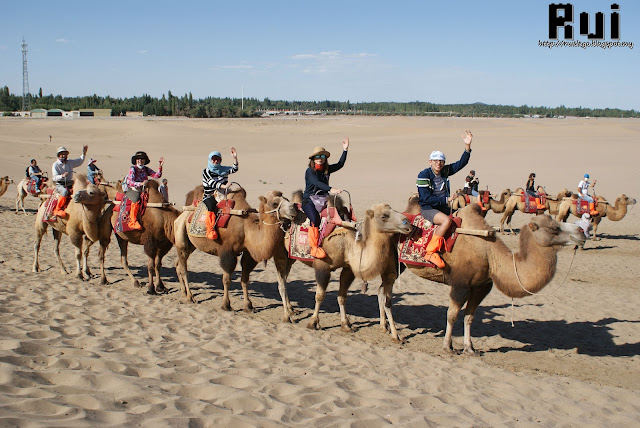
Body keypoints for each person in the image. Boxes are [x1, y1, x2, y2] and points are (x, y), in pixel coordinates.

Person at [416, 130, 473, 268]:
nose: (438, 163)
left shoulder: (444, 171)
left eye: (441, 161)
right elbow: (426, 198)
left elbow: (461, 164)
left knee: (462, 218)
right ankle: (430, 252)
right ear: (430, 161)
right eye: (435, 161)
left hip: (444, 207)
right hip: (428, 208)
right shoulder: (423, 175)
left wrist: (467, 147)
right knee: (446, 221)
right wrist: (446, 200)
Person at [302, 137, 349, 258]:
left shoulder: (326, 170)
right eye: (317, 157)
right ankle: (314, 248)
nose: (320, 159)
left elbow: (340, 164)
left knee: (340, 212)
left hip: (323, 200)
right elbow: (316, 182)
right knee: (315, 219)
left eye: (322, 157)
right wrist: (331, 189)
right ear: (313, 159)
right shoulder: (310, 171)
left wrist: (345, 150)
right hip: (309, 200)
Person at [202, 148, 239, 240]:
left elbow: (234, 169)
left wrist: (235, 158)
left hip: (224, 194)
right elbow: (212, 183)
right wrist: (224, 186)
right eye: (213, 159)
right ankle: (210, 229)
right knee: (211, 206)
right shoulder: (206, 171)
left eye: (217, 159)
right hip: (210, 195)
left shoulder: (223, 169)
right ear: (210, 160)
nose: (215, 161)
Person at [123, 151, 164, 230]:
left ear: (144, 161)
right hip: (135, 189)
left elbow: (156, 176)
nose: (140, 161)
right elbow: (130, 182)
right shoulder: (133, 169)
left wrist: (160, 166)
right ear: (136, 160)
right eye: (138, 159)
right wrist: (140, 183)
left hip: (145, 189)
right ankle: (133, 221)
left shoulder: (146, 169)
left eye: (142, 159)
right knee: (136, 200)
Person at [51, 145, 88, 218]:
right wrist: (62, 176)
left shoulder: (70, 162)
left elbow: (79, 161)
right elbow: (54, 177)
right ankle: (57, 209)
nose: (63, 155)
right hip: (60, 185)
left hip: (70, 183)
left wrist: (84, 153)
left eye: (64, 154)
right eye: (62, 154)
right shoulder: (55, 165)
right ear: (58, 155)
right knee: (64, 192)